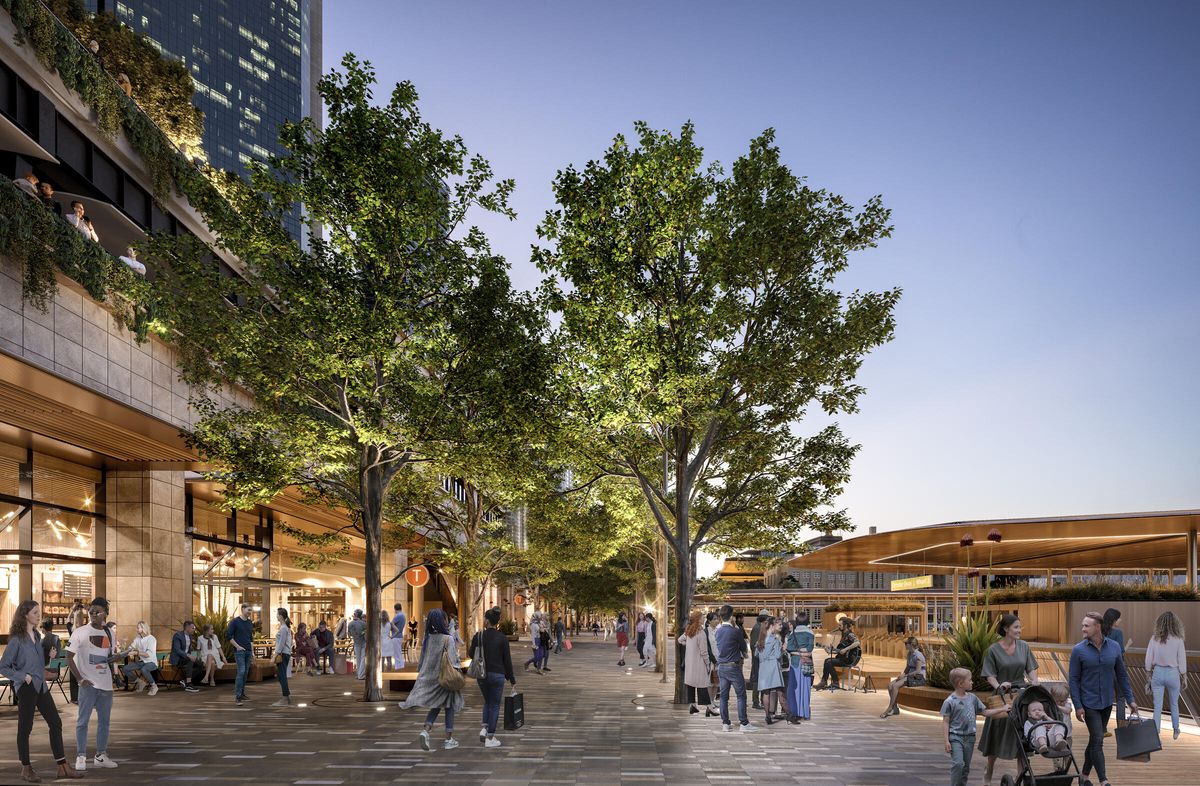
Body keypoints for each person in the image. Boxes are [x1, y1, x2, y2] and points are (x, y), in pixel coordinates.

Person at [1, 600, 83, 782]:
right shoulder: (16, 639)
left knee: (55, 722)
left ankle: (62, 766)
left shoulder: (37, 637)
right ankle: (26, 768)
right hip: (27, 687)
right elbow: (3, 666)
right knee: (25, 727)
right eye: (35, 612)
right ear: (25, 615)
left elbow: (38, 663)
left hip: (41, 686)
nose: (39, 615)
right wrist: (23, 676)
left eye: (39, 612)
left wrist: (48, 657)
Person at [1069, 611, 1137, 786]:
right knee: (1098, 740)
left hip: (1107, 702)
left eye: (1086, 625)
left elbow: (1122, 675)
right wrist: (1078, 705)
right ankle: (1104, 780)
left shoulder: (1114, 647)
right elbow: (1073, 680)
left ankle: (1083, 776)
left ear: (1097, 627)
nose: (1083, 628)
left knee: (1094, 739)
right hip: (1088, 702)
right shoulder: (1078, 650)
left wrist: (1130, 700)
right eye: (1083, 625)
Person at [978, 613, 1039, 786]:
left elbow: (1031, 668)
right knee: (997, 734)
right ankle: (988, 770)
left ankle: (1021, 775)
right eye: (1016, 627)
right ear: (1006, 629)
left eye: (1020, 627)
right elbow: (989, 674)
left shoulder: (1024, 647)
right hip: (1002, 696)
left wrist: (1034, 681)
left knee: (1021, 736)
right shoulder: (993, 650)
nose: (1019, 630)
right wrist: (999, 685)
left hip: (1020, 695)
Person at [67, 597, 127, 771]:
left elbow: (107, 657)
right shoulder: (80, 632)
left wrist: (116, 657)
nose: (93, 614)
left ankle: (101, 755)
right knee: (82, 722)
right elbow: (69, 657)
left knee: (104, 722)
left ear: (105, 614)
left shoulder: (109, 632)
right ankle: (81, 756)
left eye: (97, 612)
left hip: (106, 685)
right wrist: (80, 679)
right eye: (91, 611)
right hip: (88, 685)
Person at [400, 609, 465, 750]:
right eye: (445, 619)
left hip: (431, 678)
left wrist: (421, 676)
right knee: (449, 706)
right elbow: (453, 660)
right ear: (442, 621)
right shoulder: (447, 639)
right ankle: (448, 740)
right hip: (446, 678)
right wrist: (459, 671)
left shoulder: (428, 638)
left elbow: (422, 661)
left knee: (436, 705)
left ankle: (426, 730)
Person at [942, 667, 1008, 786]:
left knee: (965, 767)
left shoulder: (973, 698)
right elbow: (946, 721)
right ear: (961, 683)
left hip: (970, 738)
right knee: (958, 764)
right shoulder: (950, 701)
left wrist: (1002, 709)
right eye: (970, 680)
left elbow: (985, 712)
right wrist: (946, 740)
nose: (972, 682)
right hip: (955, 737)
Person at [469, 607, 516, 748]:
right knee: (495, 704)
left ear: (487, 621)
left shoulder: (478, 636)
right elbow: (507, 660)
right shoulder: (502, 638)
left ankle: (484, 729)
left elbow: (471, 654)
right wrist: (512, 679)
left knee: (488, 701)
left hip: (482, 675)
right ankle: (490, 737)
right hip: (498, 675)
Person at [713, 604, 758, 733]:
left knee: (723, 697)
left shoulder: (718, 631)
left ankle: (725, 723)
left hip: (721, 666)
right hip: (733, 666)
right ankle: (744, 723)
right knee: (741, 695)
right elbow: (744, 647)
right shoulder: (736, 631)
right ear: (731, 616)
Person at [1145, 609, 1187, 740]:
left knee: (1157, 706)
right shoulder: (1178, 639)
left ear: (1160, 623)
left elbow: (1148, 658)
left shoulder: (1154, 638)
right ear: (1176, 624)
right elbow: (1182, 659)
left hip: (1157, 672)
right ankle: (1176, 730)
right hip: (1173, 674)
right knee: (1174, 704)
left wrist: (1148, 674)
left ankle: (1156, 733)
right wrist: (1184, 676)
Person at [678, 610, 717, 716]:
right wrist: (708, 663)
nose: (704, 619)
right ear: (698, 619)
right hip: (699, 663)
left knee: (691, 685)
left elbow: (680, 640)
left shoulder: (689, 630)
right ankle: (709, 708)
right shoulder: (701, 632)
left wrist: (689, 646)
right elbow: (704, 651)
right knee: (702, 686)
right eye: (702, 617)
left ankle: (693, 706)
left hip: (690, 663)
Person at [1100, 607, 1130, 732]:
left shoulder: (1099, 631)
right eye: (1119, 618)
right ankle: (1121, 728)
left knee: (1106, 697)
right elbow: (1120, 653)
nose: (1120, 620)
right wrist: (1128, 645)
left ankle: (1102, 728)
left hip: (1103, 670)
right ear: (1114, 620)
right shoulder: (1118, 633)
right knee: (1121, 698)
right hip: (1117, 669)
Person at [881, 636, 926, 718]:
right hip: (909, 675)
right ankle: (895, 708)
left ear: (911, 645)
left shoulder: (918, 655)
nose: (905, 645)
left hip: (917, 677)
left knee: (895, 686)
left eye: (906, 643)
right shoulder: (909, 654)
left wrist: (905, 675)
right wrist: (902, 674)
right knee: (890, 685)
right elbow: (908, 667)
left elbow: (918, 671)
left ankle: (889, 708)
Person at [814, 617, 860, 691]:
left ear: (845, 626)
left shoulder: (850, 634)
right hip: (843, 658)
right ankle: (824, 681)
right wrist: (830, 651)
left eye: (840, 625)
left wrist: (845, 649)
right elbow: (840, 650)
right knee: (827, 661)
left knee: (829, 662)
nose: (838, 627)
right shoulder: (844, 635)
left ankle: (834, 682)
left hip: (849, 659)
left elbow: (857, 642)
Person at [785, 612, 815, 723]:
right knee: (806, 688)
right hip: (806, 663)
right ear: (807, 621)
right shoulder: (810, 633)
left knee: (796, 688)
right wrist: (804, 652)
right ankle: (805, 712)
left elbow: (789, 648)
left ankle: (796, 712)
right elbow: (810, 648)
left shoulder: (793, 633)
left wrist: (798, 653)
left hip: (795, 663)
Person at [756, 616, 786, 724]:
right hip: (773, 668)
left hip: (763, 668)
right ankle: (789, 715)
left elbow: (756, 654)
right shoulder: (775, 639)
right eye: (779, 624)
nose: (781, 626)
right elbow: (778, 655)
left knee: (766, 693)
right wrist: (783, 649)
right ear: (772, 626)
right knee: (780, 692)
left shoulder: (761, 638)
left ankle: (767, 715)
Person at [122, 621, 159, 696]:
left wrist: (135, 653)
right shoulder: (137, 638)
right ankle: (140, 682)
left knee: (144, 669)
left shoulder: (151, 639)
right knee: (125, 668)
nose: (136, 629)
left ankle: (154, 686)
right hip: (142, 662)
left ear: (143, 628)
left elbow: (148, 654)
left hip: (151, 662)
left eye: (138, 628)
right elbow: (131, 647)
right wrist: (130, 652)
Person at [228, 603, 254, 705]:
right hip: (239, 652)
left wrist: (252, 652)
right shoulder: (235, 622)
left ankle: (242, 694)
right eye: (248, 610)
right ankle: (237, 697)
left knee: (245, 672)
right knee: (241, 672)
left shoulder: (249, 622)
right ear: (242, 609)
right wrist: (238, 647)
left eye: (250, 610)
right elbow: (229, 636)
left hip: (248, 651)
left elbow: (250, 638)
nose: (250, 612)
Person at [168, 620, 200, 693]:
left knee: (200, 664)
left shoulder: (190, 636)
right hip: (178, 659)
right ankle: (188, 684)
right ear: (187, 628)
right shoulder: (178, 635)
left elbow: (189, 649)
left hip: (185, 658)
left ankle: (185, 681)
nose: (194, 629)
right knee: (190, 660)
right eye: (192, 628)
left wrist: (194, 655)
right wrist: (189, 656)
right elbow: (177, 650)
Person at [272, 608, 294, 707]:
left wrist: (274, 655)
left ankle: (285, 698)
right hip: (285, 653)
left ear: (281, 616)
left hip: (283, 654)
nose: (276, 616)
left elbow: (281, 644)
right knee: (281, 676)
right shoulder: (284, 627)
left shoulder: (284, 628)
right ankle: (287, 697)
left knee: (282, 676)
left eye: (277, 614)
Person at [66, 605, 87, 703]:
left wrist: (71, 610)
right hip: (81, 655)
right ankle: (81, 697)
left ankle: (74, 698)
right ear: (82, 618)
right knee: (82, 675)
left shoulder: (72, 629)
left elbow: (67, 620)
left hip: (72, 654)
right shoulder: (85, 629)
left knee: (73, 676)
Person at [749, 610, 768, 709]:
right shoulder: (758, 628)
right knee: (757, 680)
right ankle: (756, 701)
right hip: (758, 659)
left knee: (761, 680)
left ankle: (761, 700)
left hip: (761, 658)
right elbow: (754, 645)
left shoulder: (761, 627)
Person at [348, 609, 367, 680]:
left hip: (356, 642)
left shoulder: (350, 624)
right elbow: (365, 634)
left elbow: (349, 634)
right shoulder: (364, 624)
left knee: (358, 659)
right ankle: (361, 675)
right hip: (363, 642)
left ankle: (358, 674)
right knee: (363, 659)